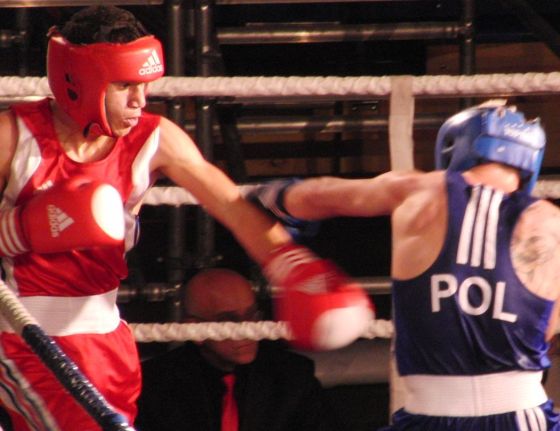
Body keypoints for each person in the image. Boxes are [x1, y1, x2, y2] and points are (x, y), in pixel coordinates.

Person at [0, 5, 372, 430]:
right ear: (77, 80)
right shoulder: (15, 137)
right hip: (22, 334)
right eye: (124, 86)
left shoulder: (154, 139)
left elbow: (231, 205)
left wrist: (291, 264)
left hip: (106, 339)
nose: (140, 101)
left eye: (144, 86)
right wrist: (16, 231)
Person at [249, 101, 560, 430]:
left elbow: (314, 197)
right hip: (524, 416)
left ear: (456, 146)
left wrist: (269, 195)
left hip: (428, 412)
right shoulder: (553, 224)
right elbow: (546, 333)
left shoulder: (419, 190)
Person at [136, 268, 338, 431]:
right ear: (194, 329)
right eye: (229, 321)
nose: (246, 330)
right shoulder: (156, 384)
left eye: (251, 316)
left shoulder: (292, 376)